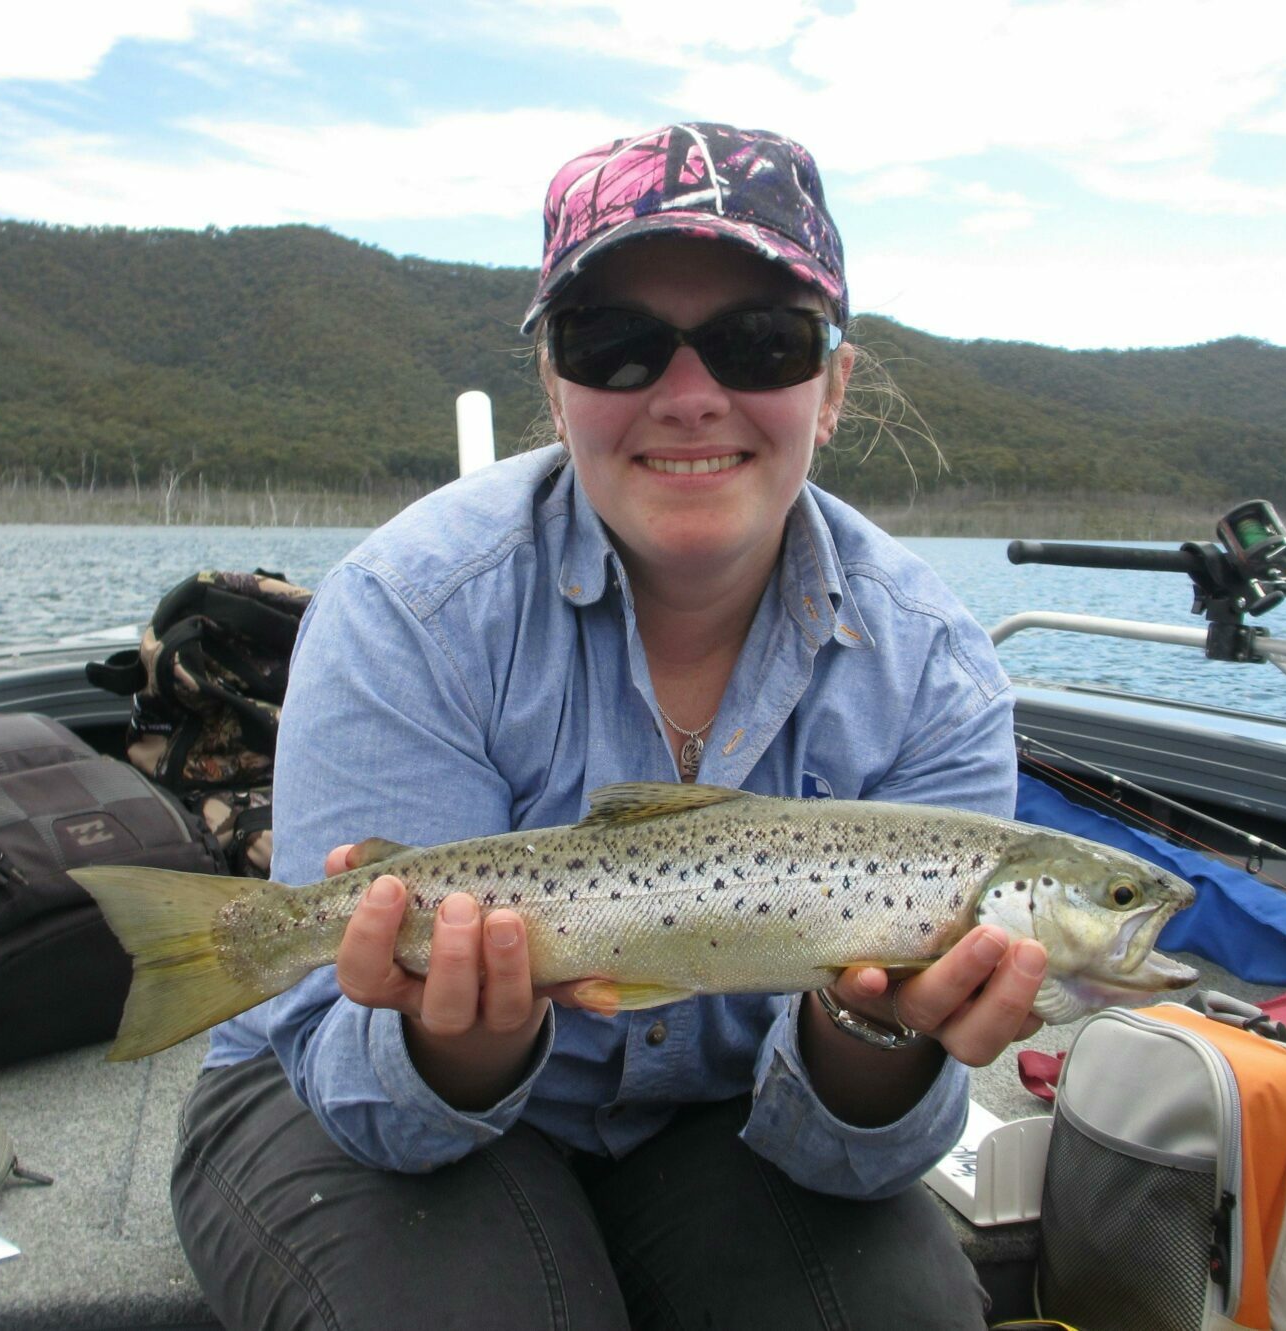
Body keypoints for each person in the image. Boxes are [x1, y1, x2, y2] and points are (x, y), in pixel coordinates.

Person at [170, 121, 1045, 1331]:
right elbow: (350, 1086)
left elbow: (857, 1149)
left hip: (719, 1117)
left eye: (758, 342)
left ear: (831, 387)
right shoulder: (408, 607)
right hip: (342, 1094)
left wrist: (874, 1027)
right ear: (556, 386)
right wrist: (455, 1042)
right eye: (618, 345)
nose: (689, 397)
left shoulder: (934, 668)